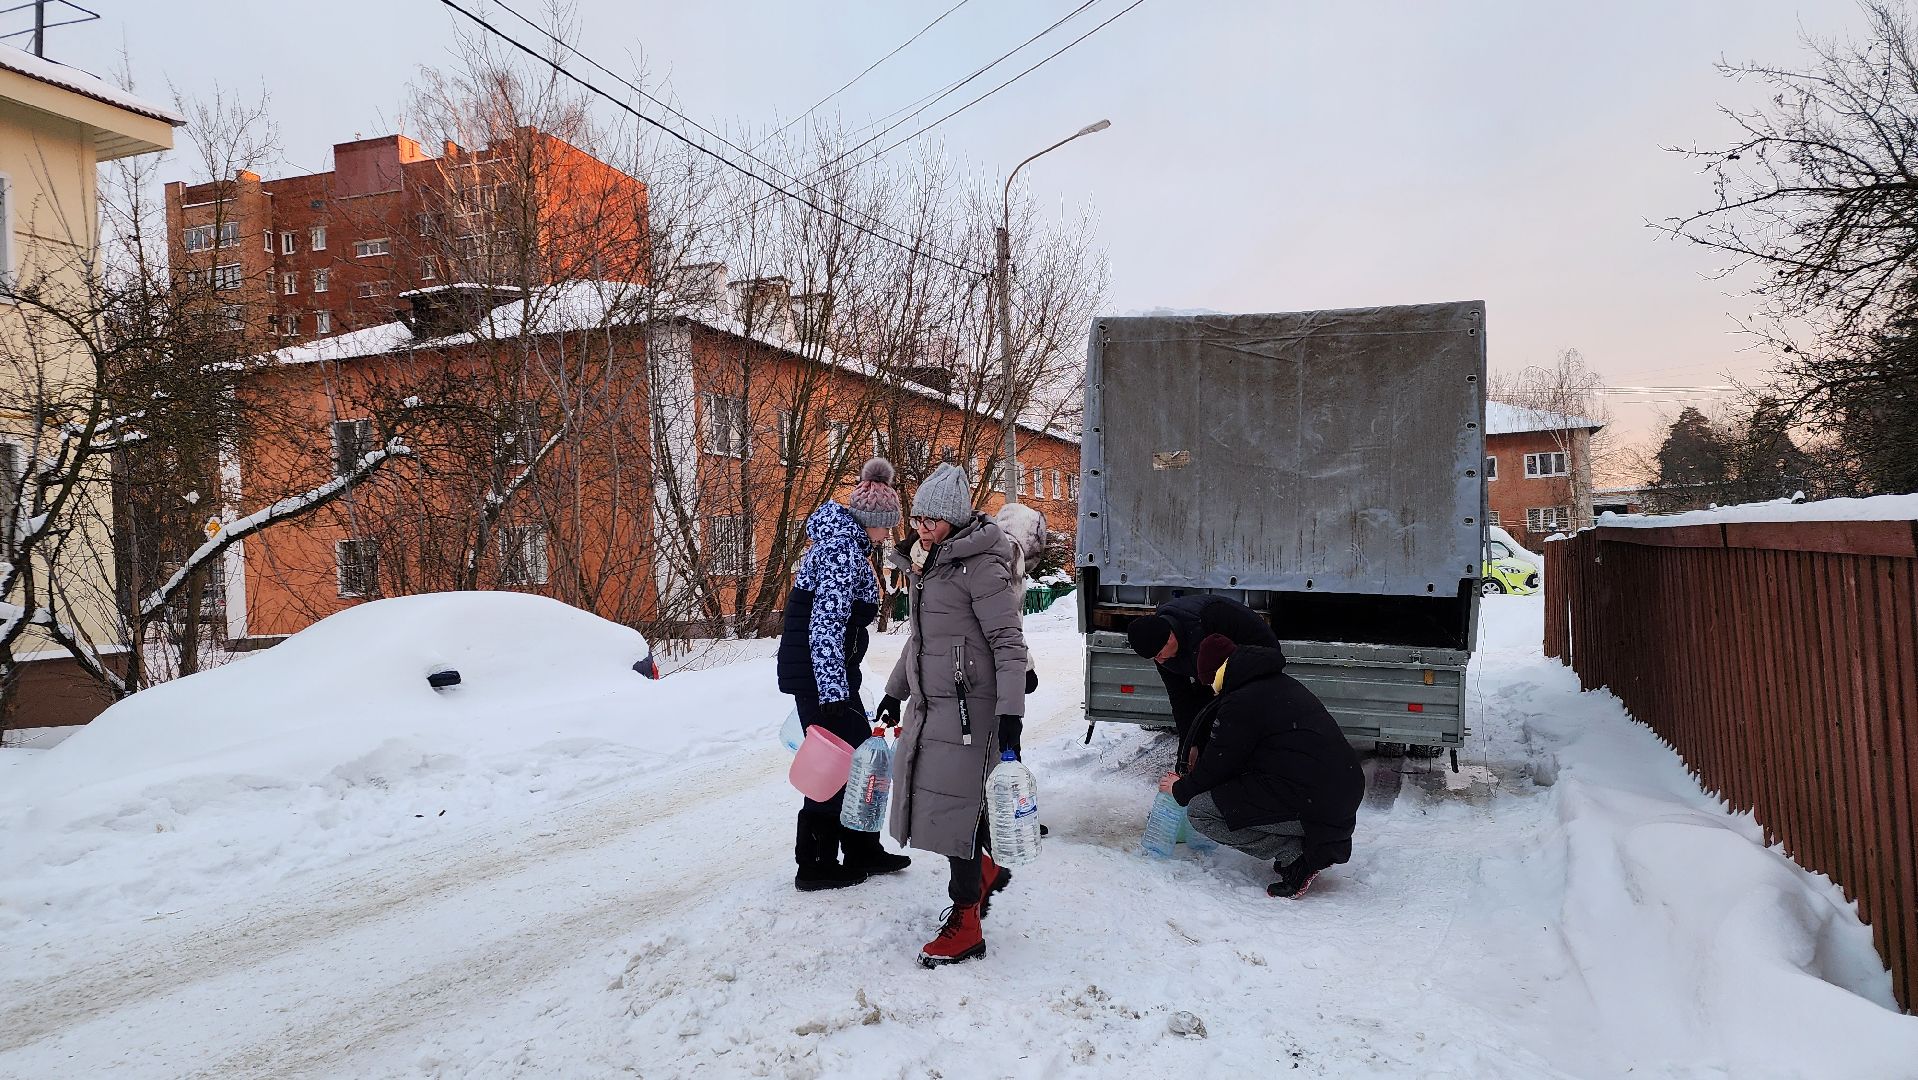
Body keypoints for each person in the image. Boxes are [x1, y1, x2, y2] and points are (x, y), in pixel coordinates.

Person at [873, 462, 1027, 967]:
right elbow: (922, 640)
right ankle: (982, 874)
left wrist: (1011, 716)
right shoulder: (929, 562)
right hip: (933, 704)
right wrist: (896, 692)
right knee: (944, 805)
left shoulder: (980, 565)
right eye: (917, 517)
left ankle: (967, 924)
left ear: (956, 519)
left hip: (971, 711)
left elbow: (1008, 644)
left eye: (932, 519)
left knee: (954, 810)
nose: (922, 527)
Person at [776, 458, 914, 891]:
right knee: (833, 761)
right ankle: (815, 864)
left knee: (861, 757)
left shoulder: (852, 546)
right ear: (871, 520)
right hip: (821, 677)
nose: (888, 533)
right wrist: (834, 695)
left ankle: (860, 848)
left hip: (833, 674)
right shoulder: (839, 550)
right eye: (886, 525)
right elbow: (824, 628)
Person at [1159, 634, 1364, 898]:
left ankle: (1298, 857)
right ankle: (1310, 845)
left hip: (1317, 801)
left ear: (1213, 675)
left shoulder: (1241, 701)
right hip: (1339, 792)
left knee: (1201, 812)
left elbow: (1220, 765)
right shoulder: (1274, 683)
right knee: (1233, 791)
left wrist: (1180, 789)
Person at [1125, 594, 1279, 742]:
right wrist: (1187, 746)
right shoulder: (1162, 652)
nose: (1159, 660)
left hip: (1258, 654)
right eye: (1154, 658)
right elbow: (1180, 699)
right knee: (1200, 714)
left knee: (1231, 718)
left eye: (1159, 654)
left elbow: (1227, 688)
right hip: (1214, 669)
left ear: (1169, 638)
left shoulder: (1209, 618)